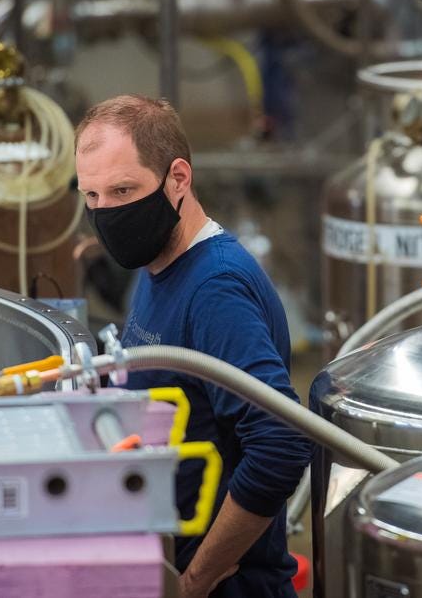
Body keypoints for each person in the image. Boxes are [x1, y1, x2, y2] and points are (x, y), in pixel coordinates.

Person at [75, 94, 312, 598]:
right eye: (91, 196)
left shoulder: (214, 289)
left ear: (178, 178)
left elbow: (281, 444)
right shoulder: (158, 262)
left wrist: (196, 580)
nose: (106, 212)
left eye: (122, 190)